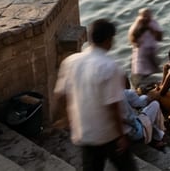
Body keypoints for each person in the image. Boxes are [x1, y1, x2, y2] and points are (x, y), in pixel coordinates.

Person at [53, 19, 136, 171]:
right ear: (108, 40)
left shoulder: (70, 62)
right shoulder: (109, 66)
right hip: (109, 135)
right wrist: (121, 136)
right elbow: (113, 106)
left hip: (85, 133)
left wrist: (66, 119)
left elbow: (61, 96)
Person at [120, 79, 165, 149]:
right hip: (134, 133)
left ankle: (156, 135)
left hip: (119, 135)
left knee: (143, 114)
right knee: (155, 104)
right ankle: (157, 138)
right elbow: (141, 103)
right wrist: (149, 96)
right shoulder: (125, 93)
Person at [128, 8, 163, 89]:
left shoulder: (153, 23)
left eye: (148, 16)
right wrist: (142, 29)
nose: (146, 19)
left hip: (152, 56)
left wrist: (151, 29)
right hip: (141, 61)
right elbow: (132, 39)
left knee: (154, 78)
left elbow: (160, 37)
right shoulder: (136, 26)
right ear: (140, 17)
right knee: (139, 80)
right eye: (144, 16)